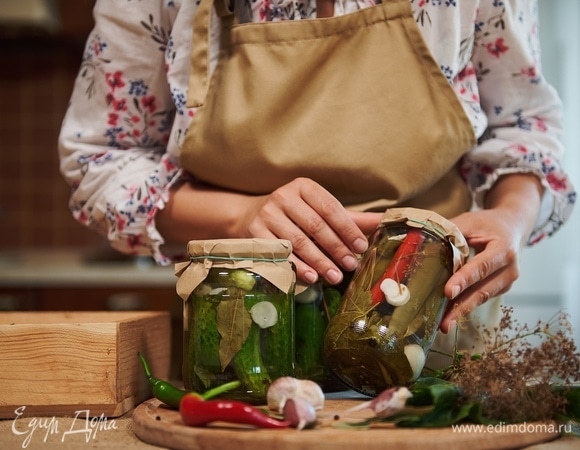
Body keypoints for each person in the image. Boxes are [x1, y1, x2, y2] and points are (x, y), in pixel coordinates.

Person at [59, 0, 575, 349]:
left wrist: (510, 217)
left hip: (430, 335)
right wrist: (243, 217)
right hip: (237, 347)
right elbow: (99, 164)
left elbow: (525, 132)